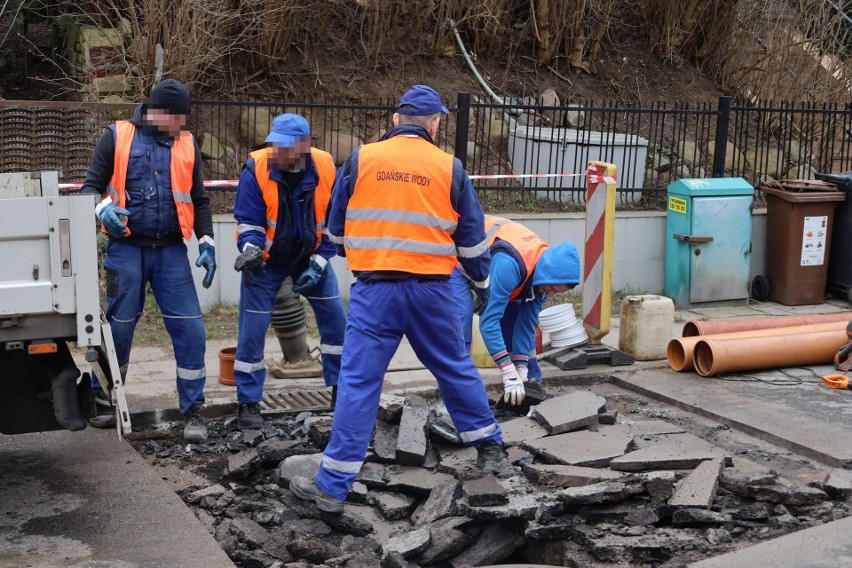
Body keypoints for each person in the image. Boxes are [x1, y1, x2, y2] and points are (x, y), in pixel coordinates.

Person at [288, 84, 502, 514]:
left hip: (375, 291)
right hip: (432, 292)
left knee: (360, 381)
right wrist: (480, 285)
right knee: (454, 367)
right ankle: (490, 449)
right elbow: (473, 241)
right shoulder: (451, 168)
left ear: (395, 119)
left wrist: (358, 252)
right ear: (435, 123)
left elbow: (336, 230)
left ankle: (332, 487)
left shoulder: (362, 159)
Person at [81, 79, 216, 443]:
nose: (182, 126)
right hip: (126, 249)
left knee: (191, 330)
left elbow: (199, 199)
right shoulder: (117, 136)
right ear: (158, 113)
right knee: (119, 328)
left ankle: (194, 410)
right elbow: (90, 186)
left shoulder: (187, 144)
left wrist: (207, 241)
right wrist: (103, 210)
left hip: (172, 251)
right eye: (178, 119)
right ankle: (105, 400)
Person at [231, 114, 346, 430]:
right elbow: (249, 222)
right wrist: (250, 251)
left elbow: (334, 223)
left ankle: (341, 391)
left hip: (311, 257)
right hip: (266, 263)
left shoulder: (325, 167)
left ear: (306, 146)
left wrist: (321, 261)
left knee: (337, 323)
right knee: (252, 332)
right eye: (274, 144)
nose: (276, 152)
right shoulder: (255, 168)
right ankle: (249, 404)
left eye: (284, 146)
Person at [451, 216, 580, 405]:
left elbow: (526, 325)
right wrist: (507, 369)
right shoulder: (509, 265)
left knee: (514, 324)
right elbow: (489, 321)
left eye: (556, 292)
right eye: (551, 289)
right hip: (458, 263)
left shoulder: (543, 278)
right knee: (460, 327)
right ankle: (461, 399)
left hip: (498, 268)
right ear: (547, 275)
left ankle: (530, 388)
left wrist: (521, 368)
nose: (550, 295)